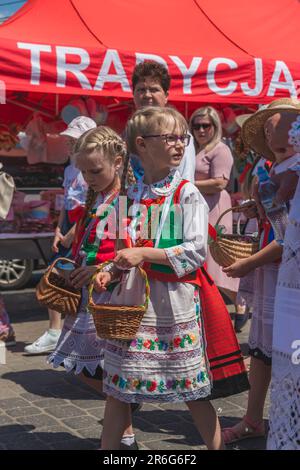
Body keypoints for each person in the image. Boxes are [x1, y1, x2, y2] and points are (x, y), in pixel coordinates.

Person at [95, 106, 249, 450]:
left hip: (173, 305)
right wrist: (109, 270)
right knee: (119, 389)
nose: (180, 144)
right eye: (171, 137)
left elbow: (195, 251)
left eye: (184, 138)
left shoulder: (186, 193)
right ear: (142, 144)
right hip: (134, 305)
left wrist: (144, 255)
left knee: (191, 390)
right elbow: (124, 250)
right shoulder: (129, 196)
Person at [48, 126, 138, 450]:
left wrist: (98, 269)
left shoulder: (123, 203)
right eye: (84, 171)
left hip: (109, 297)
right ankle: (124, 425)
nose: (88, 177)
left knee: (102, 369)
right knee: (90, 370)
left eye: (95, 170)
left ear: (117, 162)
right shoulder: (100, 198)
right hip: (91, 295)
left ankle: (122, 432)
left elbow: (124, 252)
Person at [222, 99, 300, 444]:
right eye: (265, 129)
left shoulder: (294, 172)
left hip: (288, 273)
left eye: (278, 125)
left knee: (287, 348)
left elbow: (290, 236)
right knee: (263, 349)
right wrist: (257, 209)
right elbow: (278, 220)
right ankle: (254, 418)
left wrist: (249, 263)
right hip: (272, 270)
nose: (271, 133)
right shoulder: (271, 168)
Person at [24, 116, 96, 354]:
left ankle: (64, 331)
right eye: (68, 140)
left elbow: (91, 205)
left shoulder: (92, 168)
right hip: (69, 227)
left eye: (73, 140)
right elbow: (67, 202)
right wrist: (59, 228)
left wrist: (73, 232)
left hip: (84, 228)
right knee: (57, 275)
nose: (68, 144)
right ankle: (57, 330)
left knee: (70, 277)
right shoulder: (69, 168)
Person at [189, 106, 239, 306]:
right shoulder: (195, 149)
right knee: (204, 261)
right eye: (196, 125)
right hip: (199, 208)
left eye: (205, 126)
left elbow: (220, 183)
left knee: (216, 262)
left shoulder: (220, 149)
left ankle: (234, 304)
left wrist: (187, 185)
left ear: (215, 126)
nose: (201, 130)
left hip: (214, 208)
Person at [130, 61, 195, 182]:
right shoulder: (129, 132)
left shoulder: (178, 134)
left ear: (166, 95)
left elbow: (186, 178)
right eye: (141, 90)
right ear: (133, 94)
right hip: (132, 199)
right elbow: (123, 185)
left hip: (169, 199)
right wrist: (123, 202)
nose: (147, 95)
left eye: (154, 90)